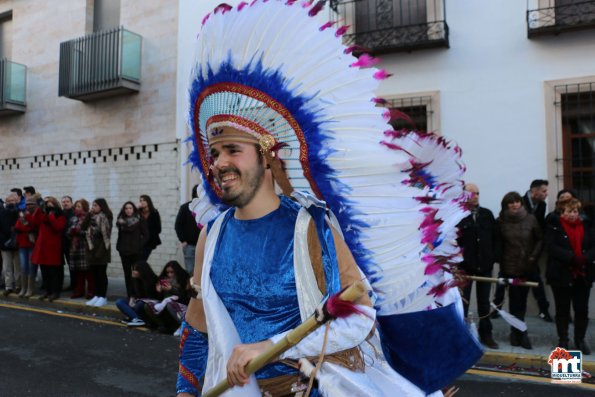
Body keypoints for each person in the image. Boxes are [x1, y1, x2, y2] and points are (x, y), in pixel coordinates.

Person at [176, 2, 481, 396]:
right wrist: (185, 390)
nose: (219, 164)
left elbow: (357, 316)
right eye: (215, 154)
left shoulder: (312, 226)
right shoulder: (211, 236)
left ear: (267, 154)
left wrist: (271, 347)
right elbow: (198, 327)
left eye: (232, 150)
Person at [545, 198, 594, 354]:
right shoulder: (554, 226)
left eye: (575, 211)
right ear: (562, 212)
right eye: (568, 211)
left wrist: (585, 257)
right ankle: (563, 339)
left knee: (581, 310)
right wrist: (571, 257)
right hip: (561, 274)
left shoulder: (586, 226)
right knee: (562, 310)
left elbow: (593, 246)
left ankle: (580, 339)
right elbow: (551, 247)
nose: (572, 214)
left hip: (582, 274)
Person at [456, 183, 501, 349]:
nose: (475, 196)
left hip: (485, 266)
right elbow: (453, 241)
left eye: (477, 193)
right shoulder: (458, 215)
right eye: (471, 193)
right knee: (463, 303)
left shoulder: (487, 214)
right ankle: (461, 336)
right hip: (465, 269)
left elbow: (496, 238)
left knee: (484, 302)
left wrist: (493, 257)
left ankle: (486, 334)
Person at [498, 191, 542, 349]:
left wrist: (532, 257)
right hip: (509, 267)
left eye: (517, 201)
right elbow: (498, 244)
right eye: (511, 202)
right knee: (514, 302)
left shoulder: (531, 219)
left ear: (522, 203)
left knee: (522, 302)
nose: (515, 204)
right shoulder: (501, 221)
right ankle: (516, 332)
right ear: (506, 205)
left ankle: (521, 332)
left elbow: (539, 239)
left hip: (527, 266)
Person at [521, 179, 553, 322]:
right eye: (544, 191)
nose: (546, 194)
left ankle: (544, 310)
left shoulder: (542, 205)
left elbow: (539, 227)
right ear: (534, 191)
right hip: (516, 249)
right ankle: (497, 307)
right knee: (507, 280)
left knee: (536, 280)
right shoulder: (519, 202)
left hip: (533, 250)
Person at [29, 196, 67, 301]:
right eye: (46, 203)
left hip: (54, 248)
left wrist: (51, 216)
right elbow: (34, 221)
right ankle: (48, 291)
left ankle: (55, 292)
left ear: (55, 204)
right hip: (43, 247)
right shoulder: (44, 214)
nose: (48, 205)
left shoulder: (60, 215)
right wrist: (39, 208)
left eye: (50, 203)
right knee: (45, 271)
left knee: (54, 272)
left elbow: (57, 227)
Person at [143, 260, 190, 334]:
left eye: (172, 272)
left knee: (170, 305)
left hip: (179, 305)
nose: (170, 275)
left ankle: (181, 325)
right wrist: (158, 291)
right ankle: (163, 326)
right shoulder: (163, 279)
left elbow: (185, 297)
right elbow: (158, 298)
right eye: (168, 272)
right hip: (164, 303)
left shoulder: (183, 279)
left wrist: (172, 289)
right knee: (147, 305)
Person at [82, 198, 113, 307]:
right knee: (94, 274)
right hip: (91, 248)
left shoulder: (106, 217)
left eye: (95, 205)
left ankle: (102, 296)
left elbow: (107, 236)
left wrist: (99, 253)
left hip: (102, 247)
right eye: (93, 205)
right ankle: (97, 295)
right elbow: (83, 227)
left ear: (101, 206)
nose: (93, 207)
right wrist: (88, 215)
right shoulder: (91, 217)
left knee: (101, 274)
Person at [116, 201, 149, 298]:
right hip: (124, 252)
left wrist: (139, 245)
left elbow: (146, 235)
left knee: (137, 274)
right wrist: (119, 247)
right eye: (126, 208)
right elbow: (120, 236)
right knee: (127, 275)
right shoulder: (121, 221)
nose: (128, 210)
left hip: (136, 252)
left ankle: (138, 294)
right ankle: (130, 295)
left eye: (130, 208)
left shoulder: (139, 219)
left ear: (133, 209)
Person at [115, 261, 161, 327]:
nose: (133, 272)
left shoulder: (153, 279)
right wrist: (132, 299)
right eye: (133, 269)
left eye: (136, 270)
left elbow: (152, 296)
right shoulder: (135, 279)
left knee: (139, 304)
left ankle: (135, 318)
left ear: (142, 270)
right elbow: (132, 292)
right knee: (119, 302)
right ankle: (137, 318)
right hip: (138, 300)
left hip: (148, 302)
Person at [67, 199, 93, 299]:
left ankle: (91, 291)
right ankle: (79, 290)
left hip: (84, 247)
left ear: (84, 207)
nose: (77, 208)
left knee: (88, 272)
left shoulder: (88, 217)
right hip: (75, 248)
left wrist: (79, 232)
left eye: (79, 206)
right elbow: (68, 231)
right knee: (78, 272)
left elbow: (90, 232)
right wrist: (71, 232)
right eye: (76, 206)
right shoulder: (73, 219)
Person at [14, 196, 39, 298]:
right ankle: (24, 288)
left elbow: (33, 226)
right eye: (27, 204)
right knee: (23, 267)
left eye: (31, 204)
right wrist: (26, 228)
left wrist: (25, 227)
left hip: (32, 244)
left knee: (31, 266)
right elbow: (17, 226)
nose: (28, 206)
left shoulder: (36, 214)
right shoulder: (22, 214)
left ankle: (30, 288)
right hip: (22, 244)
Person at [175, 185, 201, 273]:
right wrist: (183, 240)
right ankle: (191, 287)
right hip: (190, 245)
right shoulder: (185, 207)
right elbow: (178, 225)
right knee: (190, 270)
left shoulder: (209, 209)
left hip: (204, 244)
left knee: (202, 271)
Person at [1, 192, 21, 296]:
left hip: (17, 243)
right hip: (4, 244)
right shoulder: (2, 213)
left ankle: (18, 286)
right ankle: (8, 286)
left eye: (12, 201)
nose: (10, 203)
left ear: (16, 201)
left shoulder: (19, 213)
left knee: (18, 267)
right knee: (7, 267)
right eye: (8, 201)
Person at [138, 195, 161, 261]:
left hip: (149, 242)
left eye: (144, 200)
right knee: (137, 261)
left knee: (142, 260)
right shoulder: (137, 212)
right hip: (138, 241)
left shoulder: (154, 212)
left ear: (148, 202)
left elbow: (158, 229)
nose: (142, 202)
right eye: (140, 200)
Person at [61, 195, 75, 291]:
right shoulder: (61, 213)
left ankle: (76, 285)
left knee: (74, 266)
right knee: (70, 266)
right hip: (63, 244)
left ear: (71, 203)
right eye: (64, 202)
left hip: (72, 244)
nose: (65, 203)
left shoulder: (74, 214)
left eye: (67, 201)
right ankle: (73, 284)